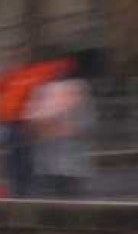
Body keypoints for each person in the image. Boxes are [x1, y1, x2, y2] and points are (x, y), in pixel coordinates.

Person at [28, 60, 94, 198]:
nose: (58, 73)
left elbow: (85, 121)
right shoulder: (45, 90)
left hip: (68, 152)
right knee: (56, 187)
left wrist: (69, 128)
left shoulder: (76, 90)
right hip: (52, 153)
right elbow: (34, 117)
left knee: (69, 189)